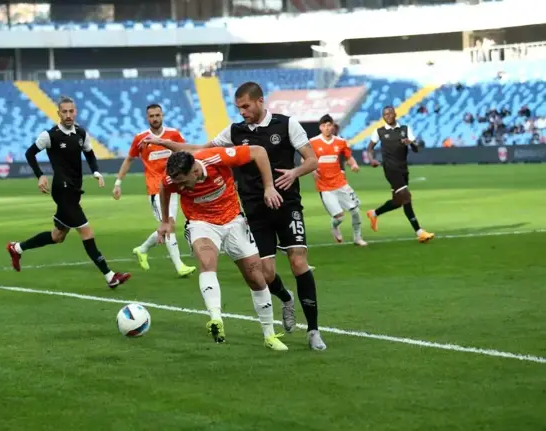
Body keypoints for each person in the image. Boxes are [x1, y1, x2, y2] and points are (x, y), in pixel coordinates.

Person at [143, 82, 326, 351]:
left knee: (299, 262)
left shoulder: (287, 124)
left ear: (260, 101)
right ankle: (286, 299)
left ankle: (313, 331)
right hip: (252, 208)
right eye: (238, 107)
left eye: (246, 106)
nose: (241, 112)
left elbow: (312, 160)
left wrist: (294, 173)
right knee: (264, 273)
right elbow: (199, 151)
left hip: (287, 203)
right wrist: (165, 143)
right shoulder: (234, 131)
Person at [157, 146, 287, 351]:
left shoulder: (216, 158)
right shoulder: (174, 179)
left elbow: (260, 152)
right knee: (207, 262)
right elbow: (163, 187)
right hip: (201, 223)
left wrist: (269, 186)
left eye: (183, 182)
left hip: (233, 221)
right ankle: (216, 319)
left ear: (196, 172)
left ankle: (269, 335)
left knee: (256, 276)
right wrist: (165, 220)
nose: (181, 187)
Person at [6, 96, 131, 288]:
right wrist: (40, 175)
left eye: (71, 111)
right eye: (64, 111)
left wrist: (96, 171)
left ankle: (17, 248)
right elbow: (29, 153)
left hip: (74, 189)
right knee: (86, 231)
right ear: (58, 113)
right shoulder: (50, 135)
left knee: (58, 236)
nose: (68, 115)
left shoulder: (81, 133)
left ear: (76, 112)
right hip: (61, 190)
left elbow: (89, 153)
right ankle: (110, 276)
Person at [112, 104, 195, 277]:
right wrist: (118, 183)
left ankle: (142, 249)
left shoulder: (174, 134)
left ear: (162, 115)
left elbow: (188, 153)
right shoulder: (141, 138)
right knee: (169, 224)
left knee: (168, 226)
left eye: (157, 115)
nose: (155, 118)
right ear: (147, 117)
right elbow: (129, 160)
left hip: (175, 185)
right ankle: (179, 266)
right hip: (156, 189)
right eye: (151, 116)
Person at [366, 106, 435, 243]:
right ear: (383, 116)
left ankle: (374, 213)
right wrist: (371, 159)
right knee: (406, 197)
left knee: (398, 201)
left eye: (390, 113)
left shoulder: (405, 129)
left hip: (403, 168)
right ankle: (419, 232)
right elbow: (370, 148)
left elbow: (416, 149)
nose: (388, 116)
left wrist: (410, 143)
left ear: (395, 114)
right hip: (390, 169)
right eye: (385, 114)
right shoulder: (379, 131)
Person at [309, 115, 367, 246]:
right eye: (324, 126)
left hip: (341, 183)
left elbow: (348, 157)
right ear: (320, 127)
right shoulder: (313, 142)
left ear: (333, 126)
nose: (327, 128)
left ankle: (358, 238)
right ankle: (335, 227)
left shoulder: (340, 142)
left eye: (329, 125)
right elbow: (305, 160)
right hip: (325, 187)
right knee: (339, 217)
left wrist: (353, 164)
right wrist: (313, 171)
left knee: (356, 211)